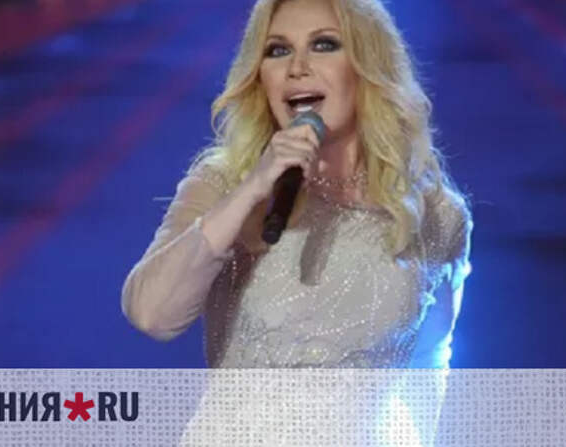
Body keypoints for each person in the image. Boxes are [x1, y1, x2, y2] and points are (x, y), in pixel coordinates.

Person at [121, 0, 472, 444]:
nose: (297, 68)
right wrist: (252, 188)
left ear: (366, 65)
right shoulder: (225, 183)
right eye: (277, 50)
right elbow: (151, 314)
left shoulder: (434, 215)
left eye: (324, 45)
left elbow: (429, 365)